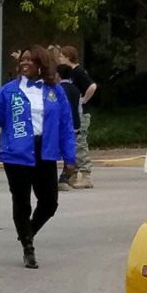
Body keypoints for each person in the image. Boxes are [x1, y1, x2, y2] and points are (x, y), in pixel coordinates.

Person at [0, 46, 77, 270]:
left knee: (49, 203)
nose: (24, 63)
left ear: (41, 64)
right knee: (22, 201)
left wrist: (70, 158)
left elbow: (66, 126)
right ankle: (28, 247)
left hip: (45, 150)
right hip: (16, 153)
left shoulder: (55, 91)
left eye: (30, 60)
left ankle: (27, 232)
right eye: (22, 60)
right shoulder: (8, 91)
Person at [57, 46, 97, 189]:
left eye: (61, 56)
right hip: (75, 112)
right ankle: (73, 174)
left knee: (80, 142)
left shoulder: (78, 71)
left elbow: (92, 86)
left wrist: (84, 99)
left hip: (82, 113)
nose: (60, 59)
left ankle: (86, 174)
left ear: (68, 57)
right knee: (73, 144)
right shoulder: (70, 73)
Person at [54, 62, 82, 191]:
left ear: (58, 75)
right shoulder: (75, 89)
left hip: (62, 125)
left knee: (54, 151)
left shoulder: (58, 89)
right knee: (70, 152)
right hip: (75, 123)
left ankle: (58, 179)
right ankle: (66, 177)